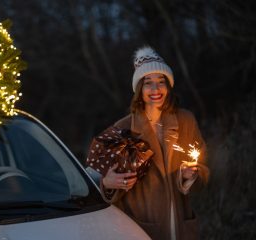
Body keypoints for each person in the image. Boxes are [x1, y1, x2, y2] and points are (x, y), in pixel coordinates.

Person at [87, 46, 209, 240]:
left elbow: (203, 169)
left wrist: (190, 176)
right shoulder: (123, 128)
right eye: (148, 83)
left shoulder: (186, 120)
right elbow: (97, 180)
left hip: (180, 225)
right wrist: (108, 184)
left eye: (161, 82)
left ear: (168, 86)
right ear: (139, 89)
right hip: (142, 228)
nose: (155, 89)